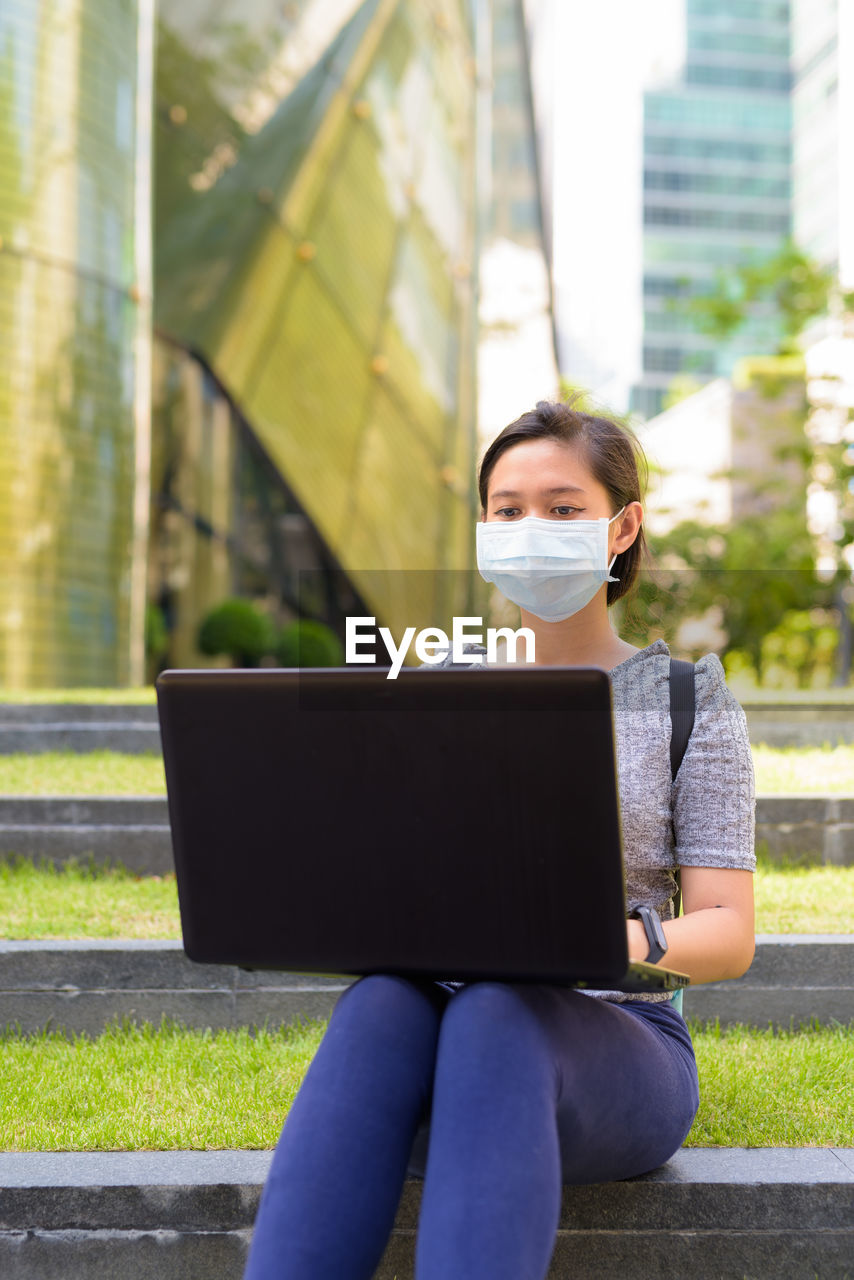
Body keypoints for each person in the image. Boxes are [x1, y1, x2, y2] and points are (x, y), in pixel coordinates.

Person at [244, 397, 756, 1280]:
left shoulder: (684, 700)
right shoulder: (435, 691)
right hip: (430, 1047)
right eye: (508, 511)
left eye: (563, 509)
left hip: (613, 1045)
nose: (532, 529)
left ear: (622, 526)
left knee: (496, 1010)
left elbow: (727, 931)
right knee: (382, 1000)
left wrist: (590, 947)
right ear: (483, 528)